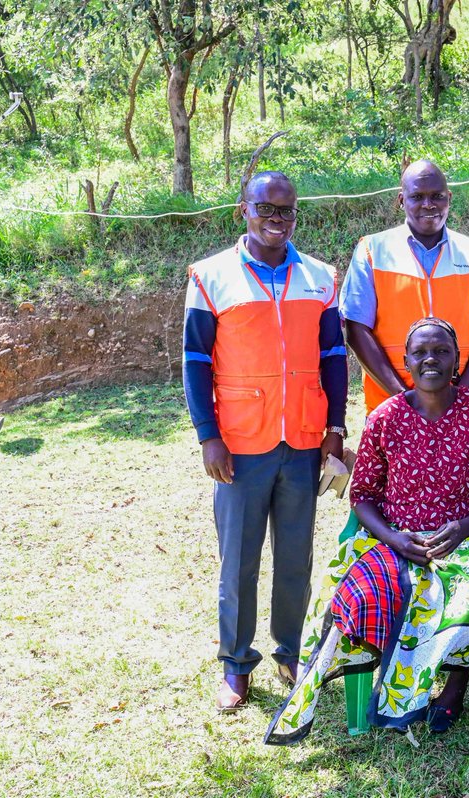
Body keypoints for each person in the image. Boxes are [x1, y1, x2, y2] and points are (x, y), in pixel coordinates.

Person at [265, 318, 469, 744]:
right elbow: (363, 497)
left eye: (441, 351)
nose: (431, 360)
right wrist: (396, 539)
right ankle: (388, 684)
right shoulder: (385, 417)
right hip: (395, 542)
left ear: (457, 360)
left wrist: (463, 527)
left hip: (467, 541)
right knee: (356, 598)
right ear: (405, 361)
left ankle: (454, 687)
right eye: (420, 353)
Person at [183, 170, 349, 711]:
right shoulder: (211, 276)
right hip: (239, 443)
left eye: (286, 211)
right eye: (265, 209)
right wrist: (208, 435)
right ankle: (235, 663)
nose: (276, 220)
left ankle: (289, 651)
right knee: (239, 560)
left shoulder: (320, 278)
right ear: (243, 210)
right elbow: (195, 362)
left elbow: (333, 359)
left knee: (296, 558)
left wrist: (336, 429)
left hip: (302, 438)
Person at [341, 160, 469, 415]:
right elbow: (356, 329)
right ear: (401, 200)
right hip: (391, 407)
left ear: (448, 198)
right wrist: (405, 401)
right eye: (417, 196)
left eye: (437, 196)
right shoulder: (373, 251)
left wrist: (457, 397)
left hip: (463, 409)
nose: (428, 205)